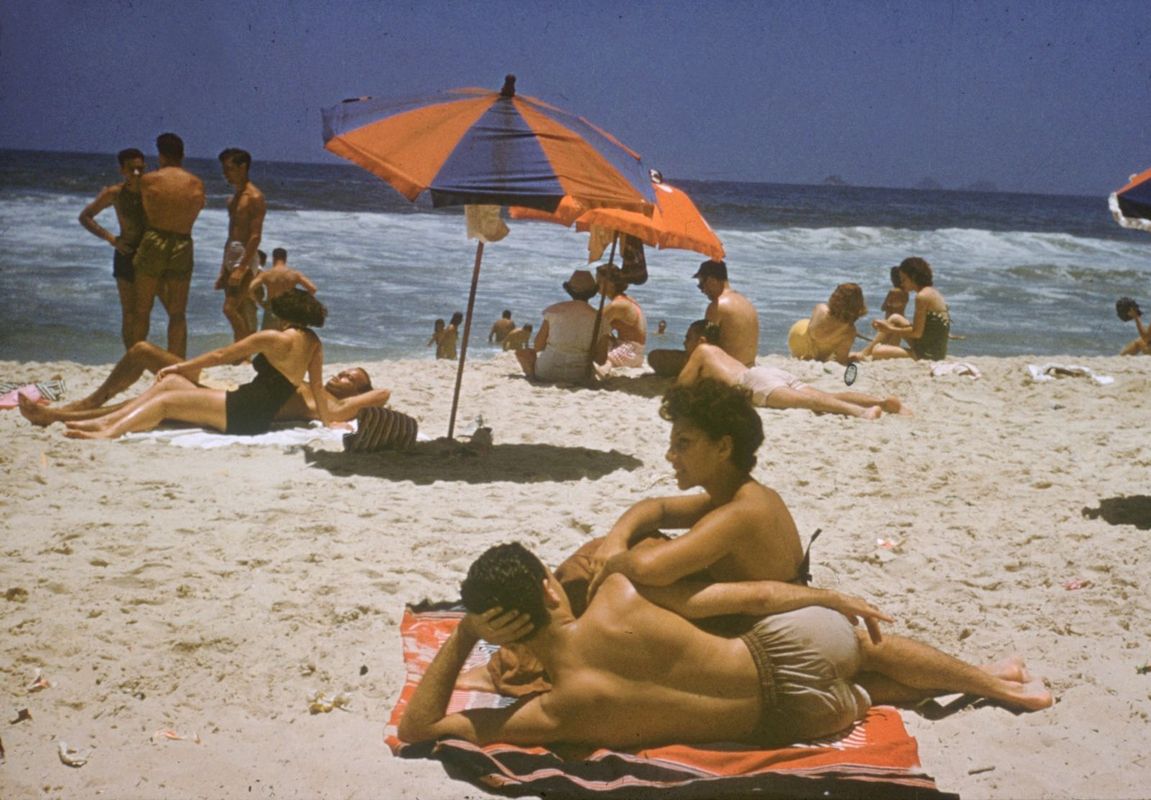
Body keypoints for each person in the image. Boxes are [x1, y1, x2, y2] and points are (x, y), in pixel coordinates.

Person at [398, 542, 1052, 749]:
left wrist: (464, 635)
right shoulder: (621, 588)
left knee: (861, 684)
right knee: (862, 647)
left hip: (796, 719)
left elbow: (419, 728)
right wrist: (829, 597)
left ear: (499, 626)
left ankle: (983, 678)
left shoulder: (552, 712)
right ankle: (997, 684)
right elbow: (751, 599)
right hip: (782, 654)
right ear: (548, 586)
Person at [60, 289, 333, 439]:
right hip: (255, 414)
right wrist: (328, 421)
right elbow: (318, 387)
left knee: (164, 402)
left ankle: (108, 432)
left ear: (283, 314)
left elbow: (220, 356)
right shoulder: (314, 343)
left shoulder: (273, 338)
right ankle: (103, 421)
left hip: (242, 411)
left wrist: (179, 366)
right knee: (170, 384)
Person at [18, 340, 387, 428]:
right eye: (344, 371)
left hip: (222, 401)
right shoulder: (310, 385)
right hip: (220, 387)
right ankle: (88, 403)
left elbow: (383, 394)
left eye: (350, 379)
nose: (340, 376)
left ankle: (60, 416)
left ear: (357, 393)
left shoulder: (330, 406)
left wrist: (363, 392)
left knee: (153, 396)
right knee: (143, 350)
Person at [678, 321, 904, 419]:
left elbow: (680, 388)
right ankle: (882, 402)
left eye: (687, 338)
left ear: (701, 340)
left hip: (754, 383)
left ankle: (861, 413)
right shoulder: (720, 352)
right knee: (826, 395)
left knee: (810, 402)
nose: (684, 343)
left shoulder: (701, 351)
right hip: (766, 372)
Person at [132, 132, 206, 358]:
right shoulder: (196, 183)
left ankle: (137, 359)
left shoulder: (149, 180)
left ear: (161, 154)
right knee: (177, 312)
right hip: (183, 241)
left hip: (155, 238)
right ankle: (177, 361)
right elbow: (197, 208)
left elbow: (142, 206)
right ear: (182, 155)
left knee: (142, 308)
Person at [78, 148, 148, 349]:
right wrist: (111, 239)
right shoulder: (115, 193)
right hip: (126, 253)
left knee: (144, 311)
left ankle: (142, 352)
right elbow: (85, 217)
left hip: (150, 255)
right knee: (129, 311)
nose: (137, 173)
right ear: (122, 170)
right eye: (131, 169)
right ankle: (131, 355)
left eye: (140, 168)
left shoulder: (152, 191)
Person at [516, 270, 609, 384]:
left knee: (524, 353)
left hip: (547, 371)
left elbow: (538, 346)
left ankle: (531, 376)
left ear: (569, 290)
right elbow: (601, 359)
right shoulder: (601, 320)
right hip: (580, 375)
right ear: (593, 292)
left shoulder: (553, 311)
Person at [854, 257, 950, 361]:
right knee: (895, 317)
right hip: (935, 348)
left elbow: (917, 333)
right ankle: (864, 353)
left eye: (904, 279)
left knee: (877, 351)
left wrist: (890, 329)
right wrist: (888, 327)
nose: (902, 283)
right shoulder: (932, 292)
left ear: (913, 277)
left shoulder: (922, 297)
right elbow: (924, 329)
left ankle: (866, 353)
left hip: (928, 353)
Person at [216, 149, 266, 342]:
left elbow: (255, 236)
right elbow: (230, 236)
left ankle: (245, 348)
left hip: (245, 257)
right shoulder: (234, 198)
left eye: (229, 169)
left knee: (229, 309)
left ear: (242, 167)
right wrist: (223, 269)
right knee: (238, 310)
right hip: (231, 255)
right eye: (224, 169)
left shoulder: (254, 197)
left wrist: (242, 267)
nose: (225, 174)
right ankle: (242, 351)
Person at [696, 259, 759, 366]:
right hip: (749, 367)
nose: (702, 291)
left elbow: (706, 346)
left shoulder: (717, 306)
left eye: (701, 285)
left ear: (711, 280)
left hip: (730, 370)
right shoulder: (746, 302)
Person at [787, 283, 868, 365]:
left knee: (810, 325)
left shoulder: (821, 308)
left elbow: (815, 327)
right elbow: (841, 360)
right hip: (817, 355)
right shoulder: (850, 332)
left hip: (796, 336)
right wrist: (851, 359)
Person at [249, 248, 317, 330]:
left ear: (273, 258)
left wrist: (259, 302)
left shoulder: (267, 274)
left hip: (272, 309)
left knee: (269, 337)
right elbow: (313, 289)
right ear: (285, 258)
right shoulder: (294, 274)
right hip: (289, 311)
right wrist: (299, 301)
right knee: (288, 337)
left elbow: (250, 288)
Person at [597, 264, 647, 369]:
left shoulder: (616, 305)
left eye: (599, 281)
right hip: (636, 352)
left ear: (611, 284)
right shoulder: (627, 299)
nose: (596, 285)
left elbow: (594, 325)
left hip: (628, 351)